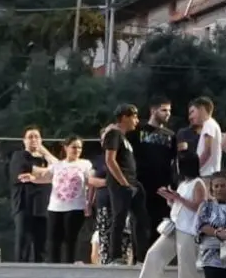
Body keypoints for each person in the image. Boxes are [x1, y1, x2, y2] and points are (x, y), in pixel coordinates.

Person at [132, 166, 207, 278]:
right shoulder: (183, 184)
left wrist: (179, 198)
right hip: (175, 226)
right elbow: (178, 205)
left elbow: (200, 206)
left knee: (186, 270)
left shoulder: (199, 183)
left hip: (189, 230)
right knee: (154, 253)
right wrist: (171, 199)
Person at [37, 137, 94, 264]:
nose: (77, 150)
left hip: (75, 207)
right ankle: (53, 267)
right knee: (53, 240)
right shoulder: (57, 165)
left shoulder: (85, 164)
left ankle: (69, 266)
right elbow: (44, 177)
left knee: (70, 239)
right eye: (74, 147)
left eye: (79, 147)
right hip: (55, 207)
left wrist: (89, 203)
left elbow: (91, 182)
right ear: (66, 148)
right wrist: (31, 177)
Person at [134, 100, 179, 256]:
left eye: (169, 110)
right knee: (140, 222)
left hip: (162, 186)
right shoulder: (138, 130)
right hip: (141, 184)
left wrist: (173, 185)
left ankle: (156, 258)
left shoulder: (171, 135)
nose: (168, 114)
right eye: (164, 110)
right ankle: (138, 257)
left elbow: (174, 162)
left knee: (159, 224)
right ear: (153, 110)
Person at [101, 104, 143, 264]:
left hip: (132, 183)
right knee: (119, 218)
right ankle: (115, 256)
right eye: (134, 117)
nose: (136, 121)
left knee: (139, 219)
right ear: (124, 117)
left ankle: (139, 256)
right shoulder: (114, 134)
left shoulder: (124, 137)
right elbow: (110, 160)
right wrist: (124, 183)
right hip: (121, 183)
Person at [7, 127, 51, 263]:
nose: (33, 140)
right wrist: (47, 173)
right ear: (24, 140)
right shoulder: (19, 156)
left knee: (41, 246)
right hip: (24, 205)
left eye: (37, 137)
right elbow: (29, 171)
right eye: (30, 137)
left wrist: (44, 152)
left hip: (43, 207)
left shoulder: (45, 159)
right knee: (23, 244)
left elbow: (58, 168)